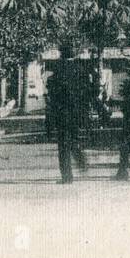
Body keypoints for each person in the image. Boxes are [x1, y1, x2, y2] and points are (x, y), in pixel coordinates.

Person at [46, 44, 91, 184]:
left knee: (63, 144)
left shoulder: (58, 70)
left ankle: (67, 176)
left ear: (62, 54)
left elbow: (53, 92)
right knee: (74, 138)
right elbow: (88, 91)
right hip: (78, 112)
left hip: (62, 112)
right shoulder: (81, 69)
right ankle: (81, 159)